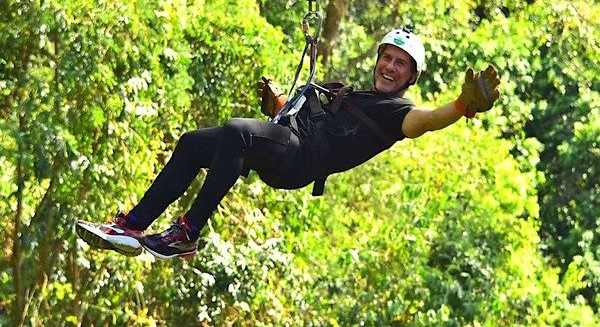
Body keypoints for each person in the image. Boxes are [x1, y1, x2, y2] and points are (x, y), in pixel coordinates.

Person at [76, 28, 500, 260]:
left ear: (410, 77)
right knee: (192, 144)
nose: (390, 67)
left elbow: (427, 121)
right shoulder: (355, 94)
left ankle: (187, 232)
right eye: (387, 57)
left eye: (400, 64)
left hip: (300, 160)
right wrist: (280, 102)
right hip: (291, 140)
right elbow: (320, 119)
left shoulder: (395, 113)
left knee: (238, 132)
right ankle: (132, 224)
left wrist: (464, 104)